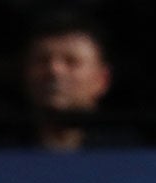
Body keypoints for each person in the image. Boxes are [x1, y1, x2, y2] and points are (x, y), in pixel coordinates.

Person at [23, 11, 117, 151]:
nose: (54, 71)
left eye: (71, 62)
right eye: (42, 61)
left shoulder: (127, 152)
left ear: (102, 79)